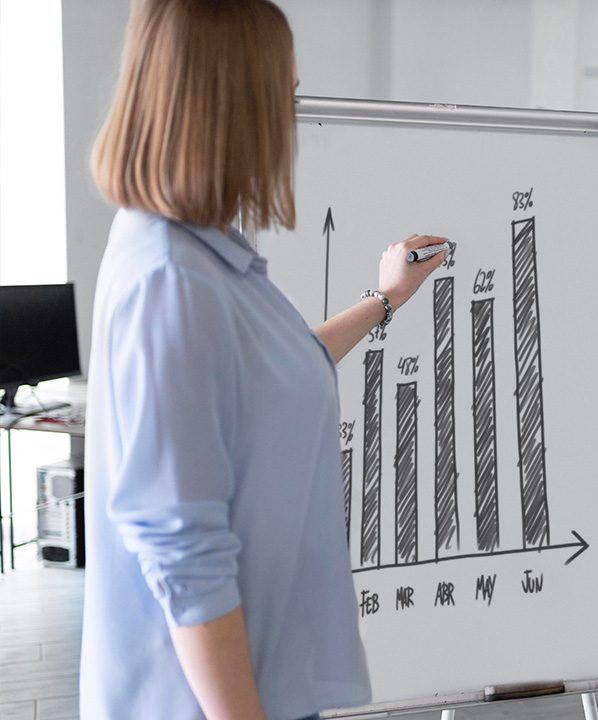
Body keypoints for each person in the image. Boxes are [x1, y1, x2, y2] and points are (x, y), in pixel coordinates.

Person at [80, 1, 448, 718]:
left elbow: (280, 370)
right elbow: (185, 554)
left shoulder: (206, 259)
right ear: (232, 108)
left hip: (267, 681)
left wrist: (387, 296)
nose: (291, 118)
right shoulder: (169, 280)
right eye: (285, 95)